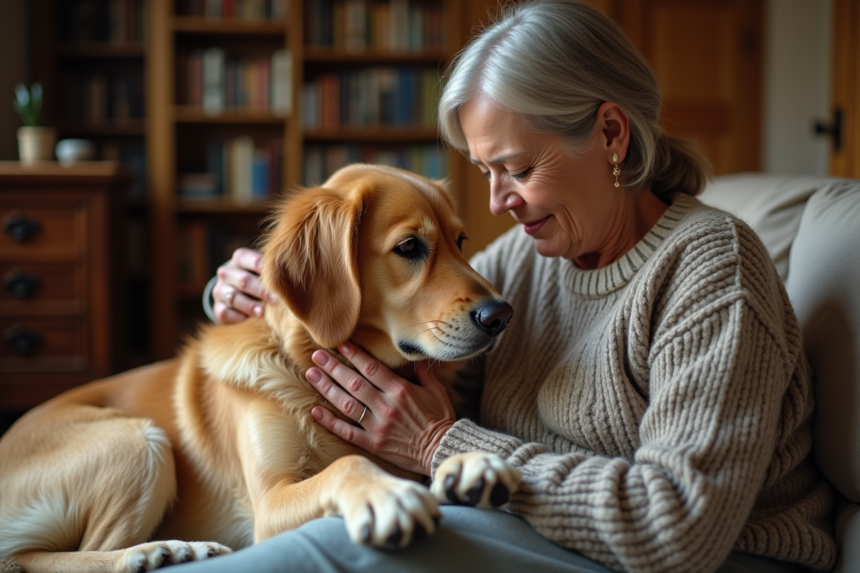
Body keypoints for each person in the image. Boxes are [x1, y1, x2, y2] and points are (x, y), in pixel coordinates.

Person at [193, 1, 836, 571]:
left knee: (335, 551)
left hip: (711, 559)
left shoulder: (712, 268)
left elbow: (677, 529)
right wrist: (253, 293)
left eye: (517, 168)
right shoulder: (534, 258)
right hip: (534, 531)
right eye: (484, 170)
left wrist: (441, 446)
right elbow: (391, 328)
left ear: (611, 134)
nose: (498, 203)